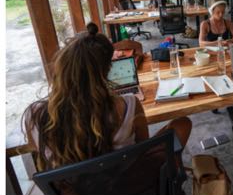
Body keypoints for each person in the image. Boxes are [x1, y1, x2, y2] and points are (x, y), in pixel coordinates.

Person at [22, 23, 191, 174]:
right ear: (107, 70)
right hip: (128, 185)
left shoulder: (34, 115)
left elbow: (41, 161)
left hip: (75, 191)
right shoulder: (128, 104)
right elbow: (142, 149)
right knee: (182, 124)